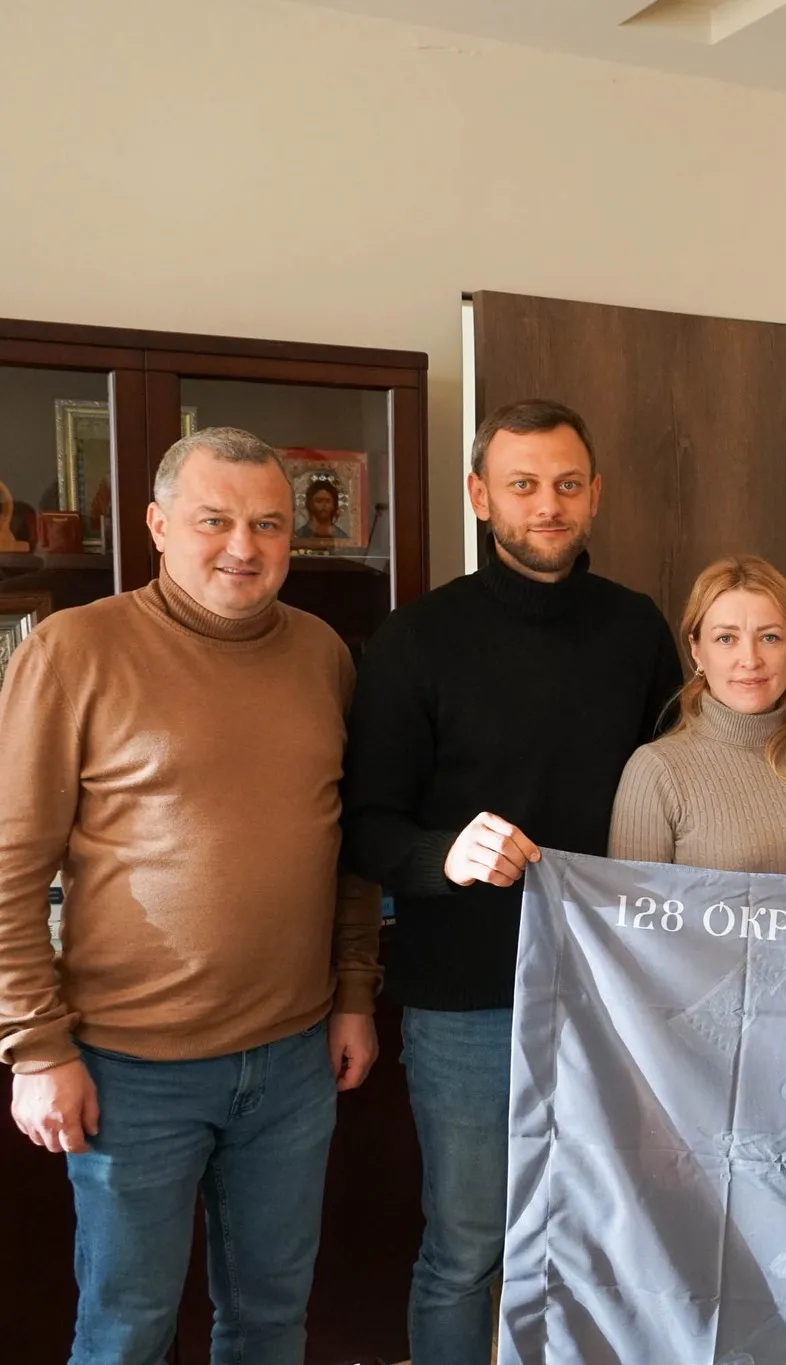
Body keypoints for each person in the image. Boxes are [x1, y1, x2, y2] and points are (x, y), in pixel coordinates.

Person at [0, 427, 381, 1365]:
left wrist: (354, 992)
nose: (243, 546)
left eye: (269, 524)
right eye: (215, 520)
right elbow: (10, 866)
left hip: (292, 1060)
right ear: (158, 524)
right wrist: (36, 1047)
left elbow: (348, 845)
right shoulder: (75, 649)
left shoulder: (323, 654)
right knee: (126, 1333)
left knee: (270, 1323)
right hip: (131, 1070)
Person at [342, 399, 683, 1364]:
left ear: (595, 494)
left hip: (617, 997)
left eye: (567, 484)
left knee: (606, 1240)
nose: (548, 504)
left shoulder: (637, 628)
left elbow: (681, 784)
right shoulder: (417, 637)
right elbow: (365, 826)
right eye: (523, 484)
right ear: (479, 495)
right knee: (466, 1249)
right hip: (468, 1001)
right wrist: (443, 855)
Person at [609, 554, 786, 874]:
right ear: (696, 650)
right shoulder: (655, 771)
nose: (750, 659)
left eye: (769, 637)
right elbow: (630, 904)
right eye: (726, 639)